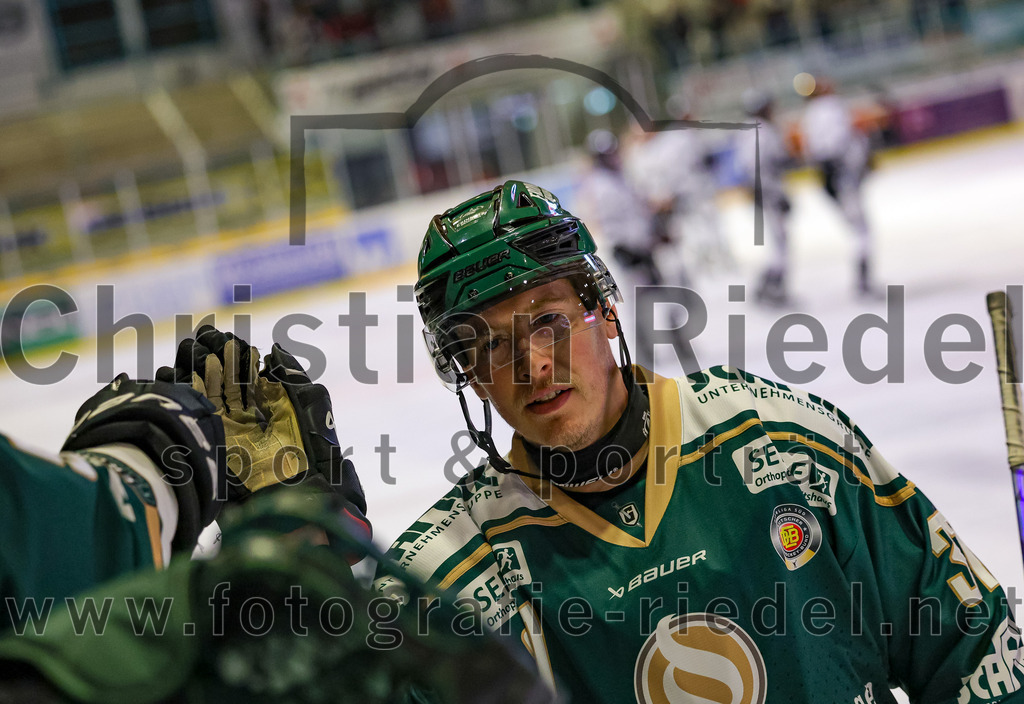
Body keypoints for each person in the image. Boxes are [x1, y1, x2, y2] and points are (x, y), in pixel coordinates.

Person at [372, 179, 1023, 703]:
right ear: (470, 379)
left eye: (549, 320)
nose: (533, 364)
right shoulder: (442, 584)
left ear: (605, 308)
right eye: (489, 345)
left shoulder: (778, 440)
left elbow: (969, 647)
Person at [800, 78, 878, 297]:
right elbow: (839, 143)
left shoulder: (810, 113)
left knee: (857, 229)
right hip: (842, 177)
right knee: (861, 230)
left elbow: (814, 150)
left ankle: (863, 281)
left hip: (832, 179)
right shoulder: (830, 108)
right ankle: (863, 282)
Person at [737, 89, 795, 305]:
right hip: (768, 192)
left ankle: (768, 287)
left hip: (767, 191)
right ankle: (771, 288)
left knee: (780, 241)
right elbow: (756, 167)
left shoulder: (754, 130)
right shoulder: (758, 131)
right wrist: (772, 193)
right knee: (780, 242)